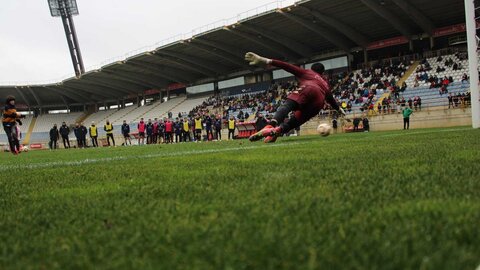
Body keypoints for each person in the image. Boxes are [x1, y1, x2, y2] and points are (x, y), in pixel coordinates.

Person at [245, 52, 345, 143]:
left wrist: (265, 60)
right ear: (322, 73)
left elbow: (287, 66)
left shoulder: (308, 73)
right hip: (318, 103)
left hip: (309, 89)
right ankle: (276, 131)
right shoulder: (326, 84)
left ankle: (270, 126)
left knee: (287, 106)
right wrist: (339, 109)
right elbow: (331, 100)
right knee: (294, 122)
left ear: (312, 69)